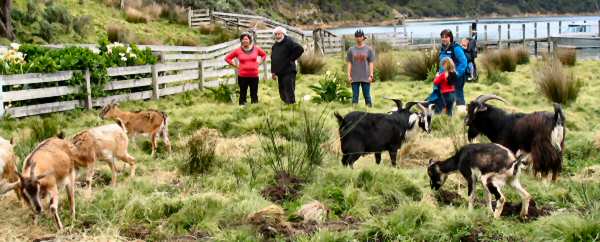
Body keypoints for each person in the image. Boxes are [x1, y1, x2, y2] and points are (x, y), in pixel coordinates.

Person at [225, 32, 267, 105]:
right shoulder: (238, 50)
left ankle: (255, 107)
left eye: (246, 39)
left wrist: (259, 62)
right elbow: (227, 58)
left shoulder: (256, 49)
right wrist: (235, 65)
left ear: (249, 40)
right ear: (241, 41)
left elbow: (264, 55)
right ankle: (242, 108)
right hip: (242, 76)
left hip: (254, 76)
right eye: (243, 39)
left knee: (254, 93)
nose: (245, 41)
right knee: (242, 93)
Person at [271, 26, 304, 104]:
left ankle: (292, 104)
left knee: (289, 89)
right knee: (282, 90)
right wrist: (273, 72)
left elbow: (300, 49)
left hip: (289, 70)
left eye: (279, 34)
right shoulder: (275, 46)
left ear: (283, 34)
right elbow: (273, 59)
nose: (277, 36)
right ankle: (286, 103)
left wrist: (291, 59)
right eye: (276, 34)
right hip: (280, 72)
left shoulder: (289, 41)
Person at [439, 29, 467, 112]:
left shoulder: (456, 48)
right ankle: (451, 113)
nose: (444, 39)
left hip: (457, 76)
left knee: (458, 94)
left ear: (450, 38)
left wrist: (456, 74)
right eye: (442, 37)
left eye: (446, 37)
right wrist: (440, 74)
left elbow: (463, 62)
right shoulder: (442, 49)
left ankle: (462, 114)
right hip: (445, 77)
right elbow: (442, 64)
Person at [346, 29, 375, 107]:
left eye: (360, 36)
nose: (358, 38)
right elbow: (349, 63)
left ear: (363, 37)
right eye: (357, 36)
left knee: (367, 96)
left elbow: (371, 63)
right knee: (355, 97)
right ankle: (354, 112)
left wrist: (371, 75)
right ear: (355, 38)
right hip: (354, 77)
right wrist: (348, 75)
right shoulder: (351, 50)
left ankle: (369, 112)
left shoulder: (368, 49)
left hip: (366, 76)